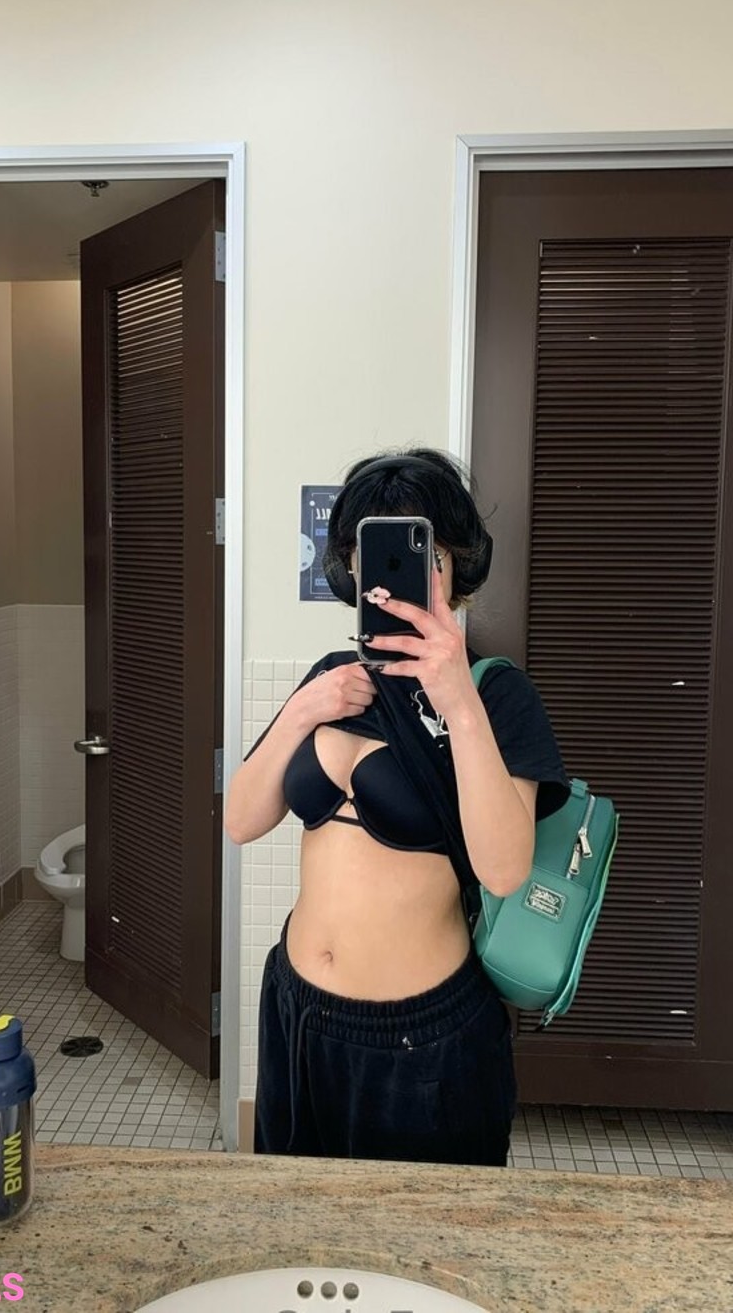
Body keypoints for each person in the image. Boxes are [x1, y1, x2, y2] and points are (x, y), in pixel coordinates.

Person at [224, 448, 570, 1165]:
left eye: (421, 554)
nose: (387, 579)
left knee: (421, 1230)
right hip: (297, 1009)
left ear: (456, 566)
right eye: (368, 554)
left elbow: (505, 870)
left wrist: (457, 700)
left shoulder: (498, 696)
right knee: (295, 1220)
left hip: (423, 1039)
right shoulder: (331, 677)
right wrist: (303, 710)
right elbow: (241, 821)